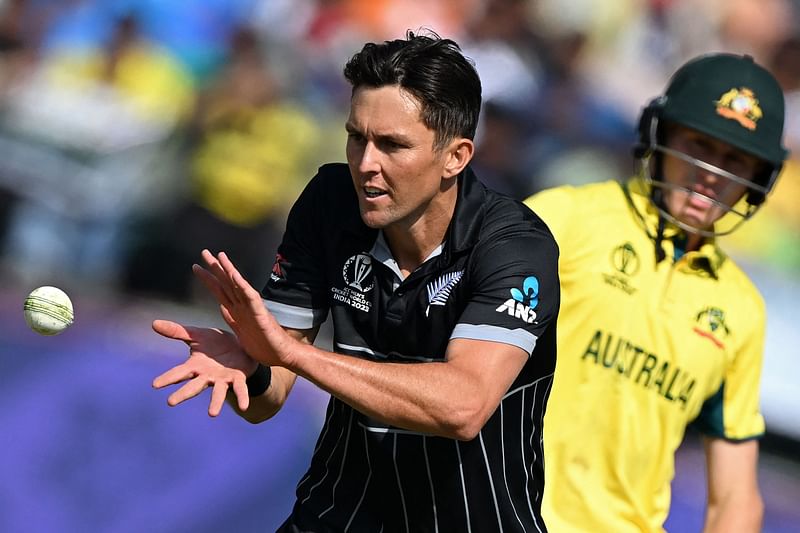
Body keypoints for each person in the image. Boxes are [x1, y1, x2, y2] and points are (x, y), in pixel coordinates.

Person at [152, 30, 560, 532]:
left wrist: (293, 354)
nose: (366, 164)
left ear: (455, 156)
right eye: (356, 137)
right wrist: (255, 369)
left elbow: (463, 406)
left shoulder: (515, 246)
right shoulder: (330, 201)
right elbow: (270, 395)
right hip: (335, 517)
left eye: (392, 145)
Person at [524, 52, 789, 533]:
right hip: (507, 517)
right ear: (661, 137)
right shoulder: (566, 219)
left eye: (734, 160)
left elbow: (735, 497)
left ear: (758, 180)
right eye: (700, 146)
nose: (712, 174)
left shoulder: (740, 308)